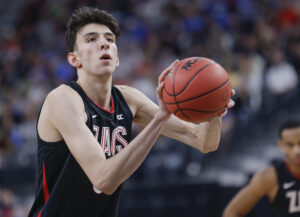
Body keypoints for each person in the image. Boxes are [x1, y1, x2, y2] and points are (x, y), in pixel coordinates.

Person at [28, 6, 234, 217]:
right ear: (74, 59)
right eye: (91, 39)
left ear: (117, 57)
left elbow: (204, 142)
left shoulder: (128, 99)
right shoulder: (62, 100)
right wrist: (160, 119)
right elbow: (102, 180)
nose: (104, 43)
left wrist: (213, 112)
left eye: (109, 39)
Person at [223, 121, 300, 217]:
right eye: (290, 145)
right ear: (281, 145)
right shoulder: (270, 177)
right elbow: (232, 212)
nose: (297, 150)